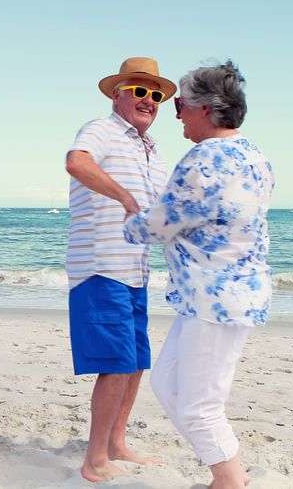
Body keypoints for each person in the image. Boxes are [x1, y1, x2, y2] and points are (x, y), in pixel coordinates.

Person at [124, 61, 273, 489]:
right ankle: (231, 473)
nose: (176, 113)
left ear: (206, 109)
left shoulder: (204, 159)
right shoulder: (255, 156)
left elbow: (160, 224)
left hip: (215, 297)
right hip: (222, 294)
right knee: (167, 382)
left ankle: (229, 480)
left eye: (181, 104)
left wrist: (128, 218)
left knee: (198, 406)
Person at [64, 56, 174, 481]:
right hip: (100, 264)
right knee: (115, 362)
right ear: (117, 94)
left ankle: (116, 443)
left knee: (135, 360)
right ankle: (94, 459)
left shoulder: (151, 151)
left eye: (156, 94)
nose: (149, 100)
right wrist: (124, 197)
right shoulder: (101, 129)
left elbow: (165, 210)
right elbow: (77, 163)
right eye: (140, 91)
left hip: (136, 268)